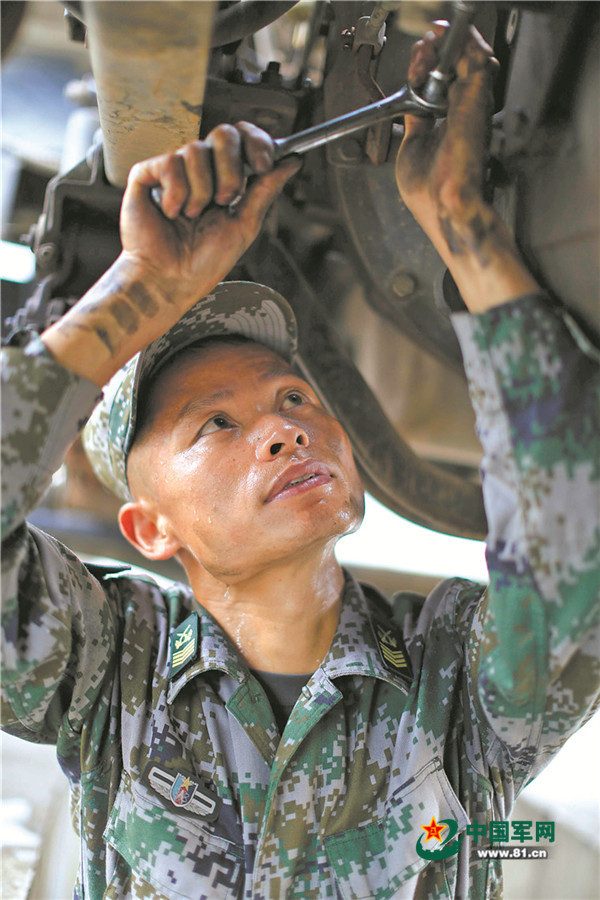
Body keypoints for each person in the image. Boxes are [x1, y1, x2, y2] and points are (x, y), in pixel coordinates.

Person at [2, 24, 598, 900]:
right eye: (214, 426)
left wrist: (464, 228)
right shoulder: (105, 670)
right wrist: (139, 292)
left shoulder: (455, 685)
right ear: (147, 527)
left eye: (293, 399)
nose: (284, 431)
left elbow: (574, 540)